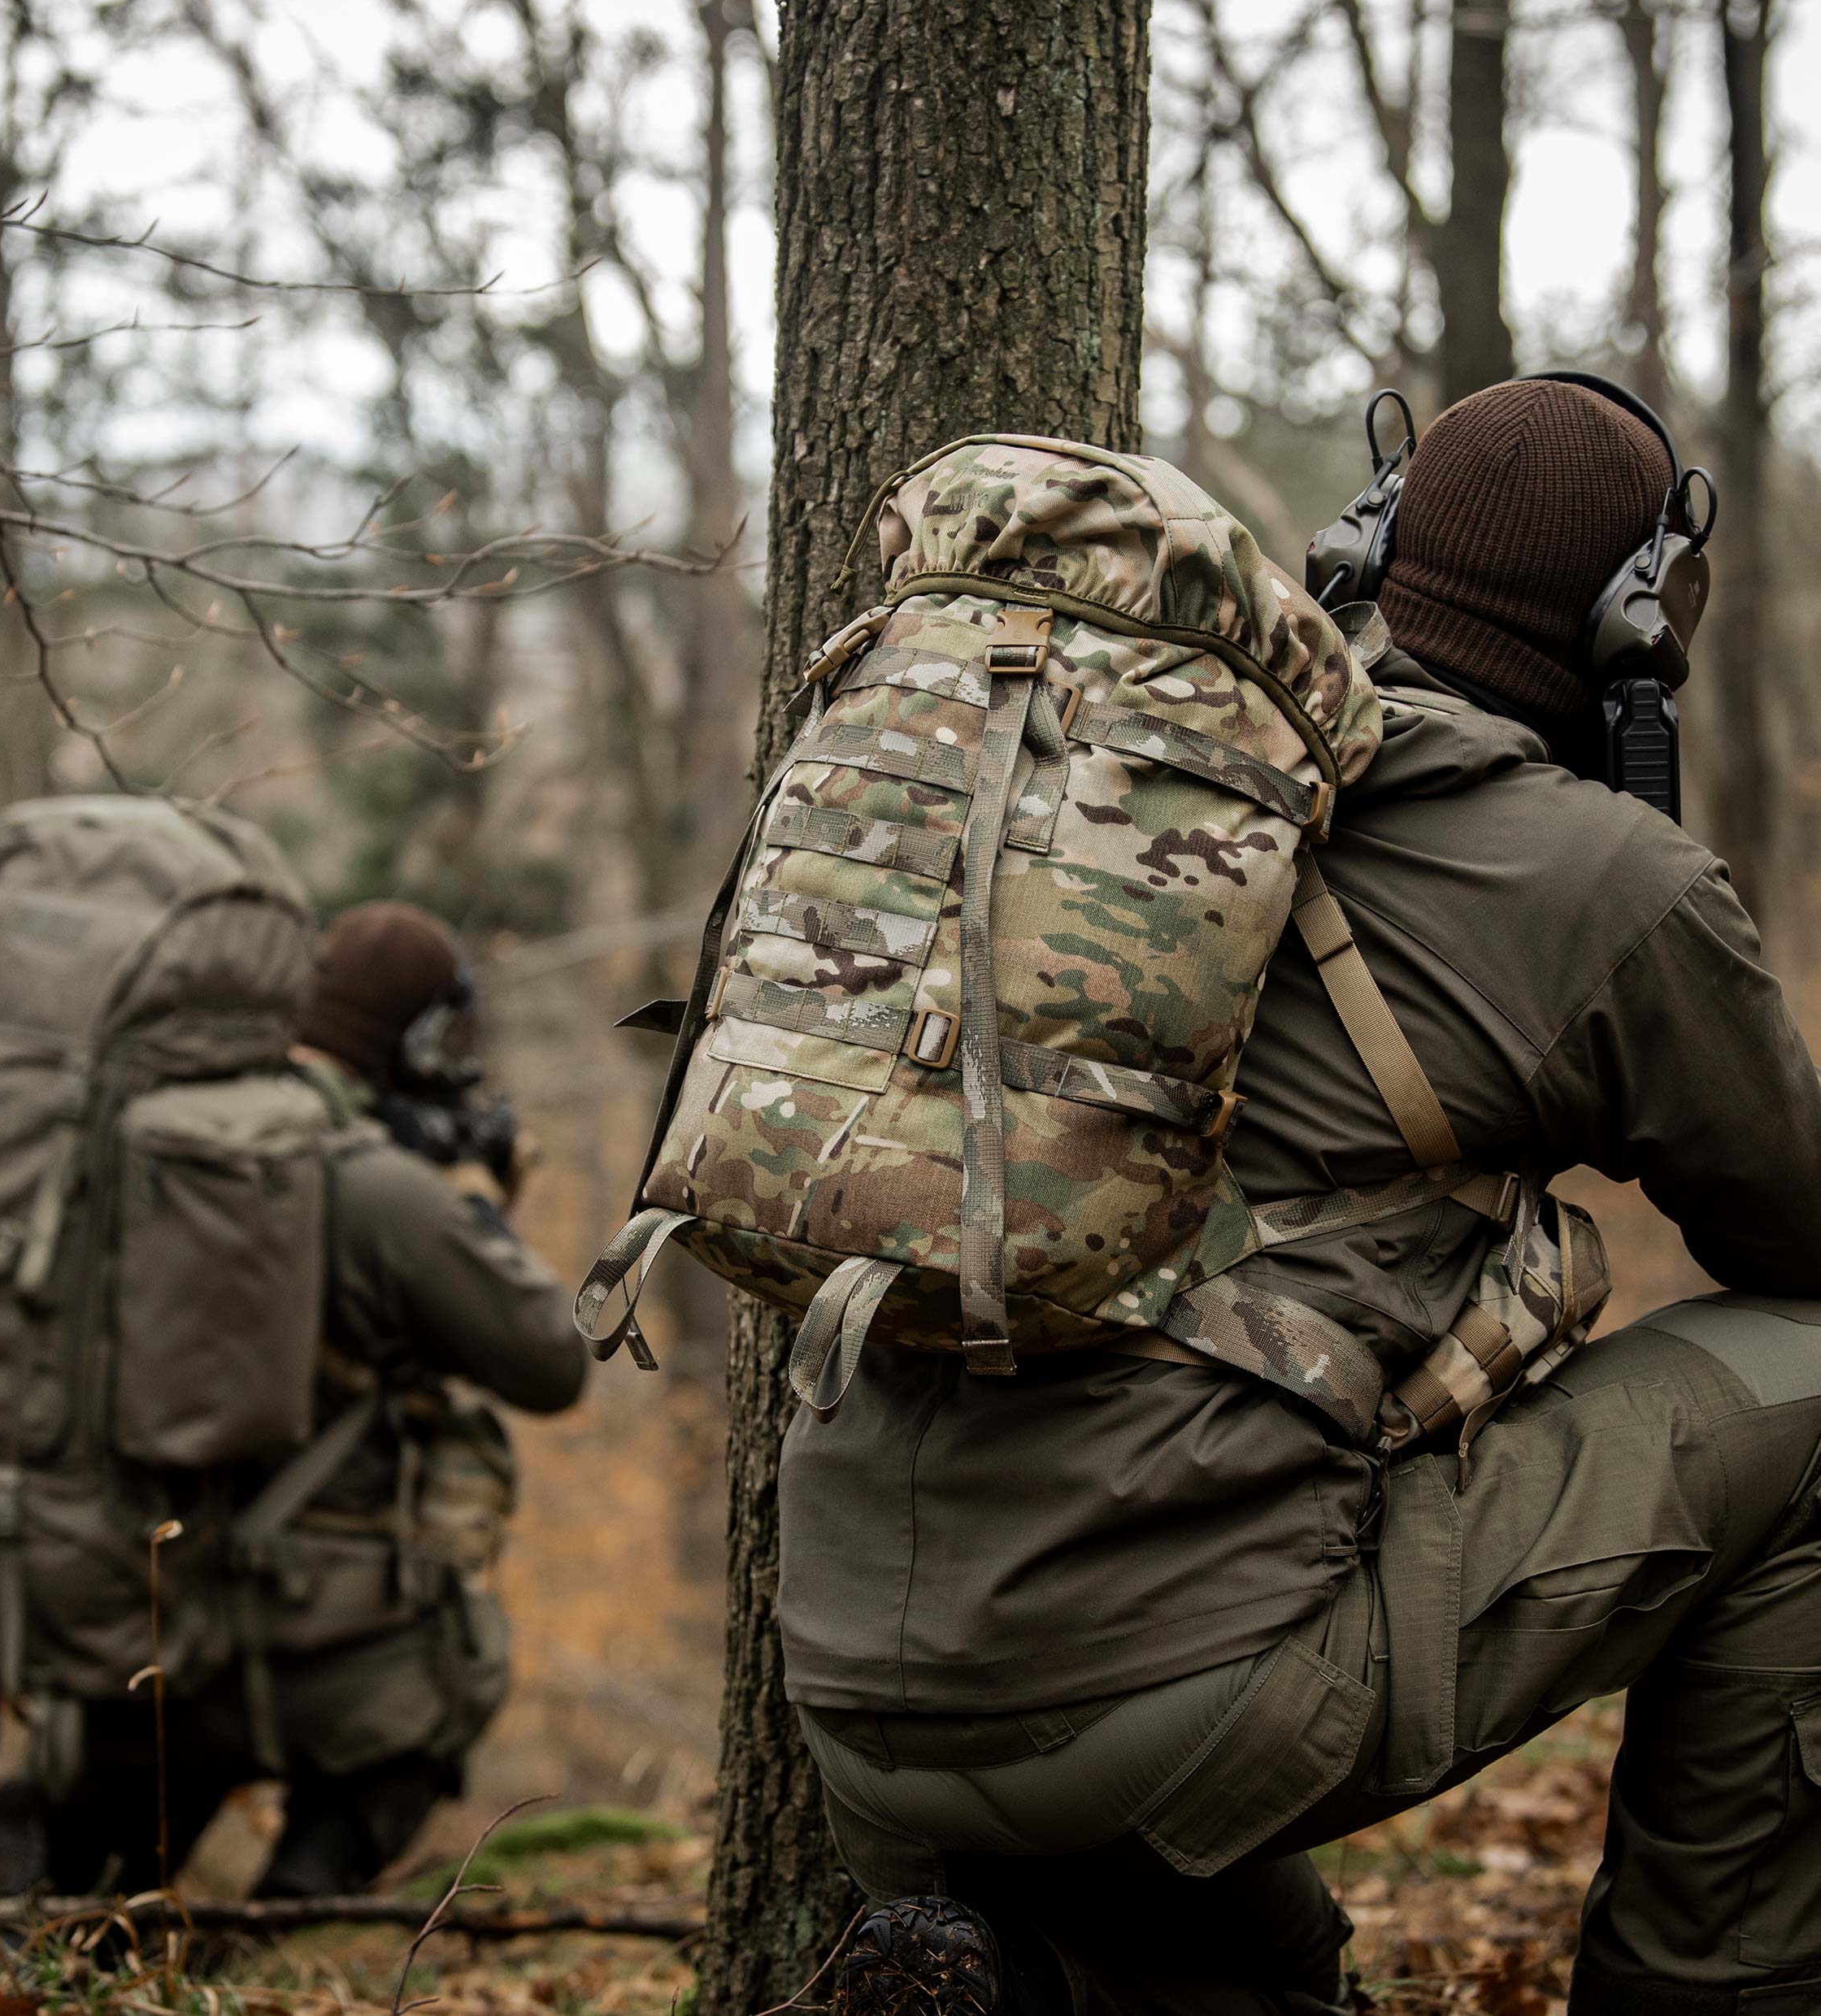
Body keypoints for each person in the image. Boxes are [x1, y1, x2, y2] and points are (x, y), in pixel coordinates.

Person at [776, 381, 1821, 2014]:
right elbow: (1793, 1239)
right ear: (1641, 613)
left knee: (1277, 1987)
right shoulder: (1597, 875)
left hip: (851, 1690)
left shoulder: (1112, 782)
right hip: (1181, 1690)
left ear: (1370, 551)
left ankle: (1008, 1969)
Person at [41, 902, 587, 1898]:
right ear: (413, 1039)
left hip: (132, 1621)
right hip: (330, 1649)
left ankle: (44, 1898)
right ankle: (300, 1906)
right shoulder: (384, 1191)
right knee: (440, 1693)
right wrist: (470, 1205)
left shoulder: (142, 1154)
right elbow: (555, 1362)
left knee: (80, 1890)